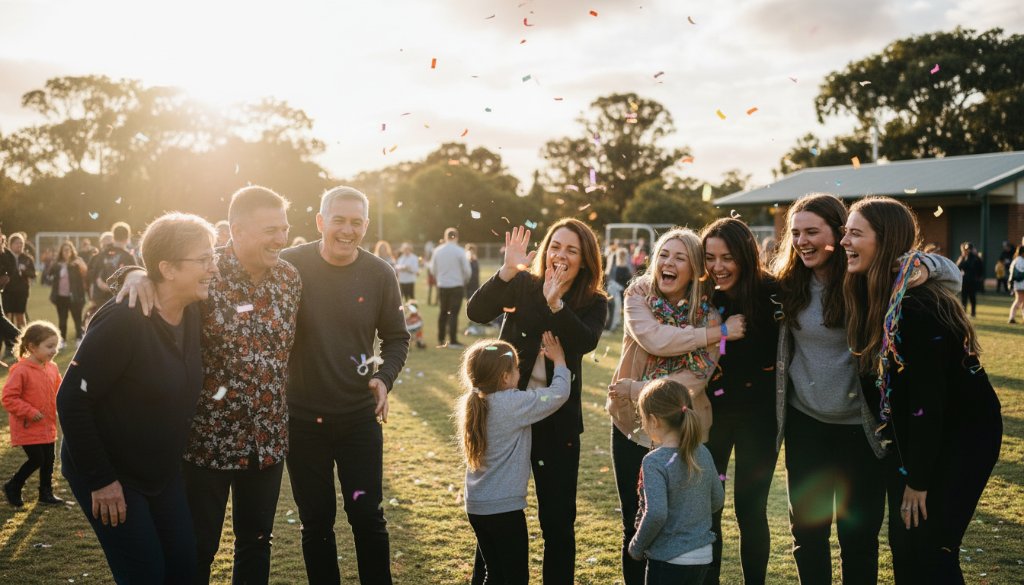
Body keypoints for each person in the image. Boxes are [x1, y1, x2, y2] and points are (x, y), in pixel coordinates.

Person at [113, 186, 301, 584]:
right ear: (237, 230)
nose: (281, 238)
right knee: (197, 546)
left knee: (257, 543)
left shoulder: (289, 277)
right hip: (206, 439)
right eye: (271, 230)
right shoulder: (205, 270)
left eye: (285, 228)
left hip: (267, 439)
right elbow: (159, 270)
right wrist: (131, 273)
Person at [772, 193, 960, 584]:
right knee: (807, 534)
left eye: (812, 232)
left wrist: (923, 264)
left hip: (863, 432)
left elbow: (952, 276)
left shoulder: (868, 278)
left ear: (838, 234)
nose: (802, 241)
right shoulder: (787, 285)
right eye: (796, 233)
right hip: (806, 428)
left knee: (858, 537)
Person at [842, 196, 1002, 584]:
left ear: (885, 242)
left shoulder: (916, 306)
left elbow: (928, 402)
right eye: (845, 232)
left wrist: (918, 481)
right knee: (905, 545)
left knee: (932, 550)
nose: (845, 241)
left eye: (856, 233)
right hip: (912, 442)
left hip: (960, 439)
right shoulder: (871, 293)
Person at [57, 212, 218, 583]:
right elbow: (71, 400)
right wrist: (101, 480)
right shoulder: (125, 319)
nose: (214, 268)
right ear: (168, 269)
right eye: (204, 260)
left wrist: (130, 270)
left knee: (185, 567)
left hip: (161, 472)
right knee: (145, 574)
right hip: (111, 473)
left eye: (213, 257)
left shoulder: (192, 309)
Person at [467, 219, 609, 584]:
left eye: (572, 250)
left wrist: (556, 304)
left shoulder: (594, 302)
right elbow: (476, 312)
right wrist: (506, 271)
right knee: (496, 509)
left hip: (556, 420)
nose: (561, 255)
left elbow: (584, 342)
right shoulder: (522, 285)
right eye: (556, 247)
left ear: (585, 261)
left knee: (558, 521)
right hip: (507, 413)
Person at [280, 186, 409, 584]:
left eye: (356, 222)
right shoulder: (289, 266)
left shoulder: (380, 273)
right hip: (302, 421)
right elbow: (233, 260)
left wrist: (384, 378)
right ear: (321, 221)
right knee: (316, 521)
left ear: (366, 226)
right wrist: (132, 273)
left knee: (368, 517)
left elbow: (397, 337)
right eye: (339, 220)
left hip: (358, 418)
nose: (347, 230)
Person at [606, 227, 736, 585]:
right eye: (664, 254)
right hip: (632, 426)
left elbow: (694, 380)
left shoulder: (709, 315)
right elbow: (654, 339)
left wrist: (635, 388)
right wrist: (714, 335)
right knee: (635, 521)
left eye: (680, 258)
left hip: (685, 433)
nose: (669, 262)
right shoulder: (638, 295)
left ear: (694, 269)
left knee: (696, 522)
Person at [701, 218, 781, 585]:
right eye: (710, 257)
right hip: (710, 418)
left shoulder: (773, 293)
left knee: (751, 510)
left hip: (759, 421)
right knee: (709, 508)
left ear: (746, 256)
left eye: (727, 257)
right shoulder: (701, 295)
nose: (717, 266)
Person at [456, 334, 569, 585]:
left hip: (477, 507)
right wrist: (559, 360)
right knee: (515, 577)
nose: (520, 372)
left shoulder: (474, 402)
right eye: (516, 368)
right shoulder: (512, 404)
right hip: (504, 510)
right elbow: (558, 394)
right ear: (505, 377)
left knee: (494, 573)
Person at [628, 378, 725, 585]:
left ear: (654, 420)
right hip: (702, 556)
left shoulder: (654, 461)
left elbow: (656, 514)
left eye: (642, 418)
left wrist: (636, 546)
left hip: (668, 560)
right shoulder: (703, 452)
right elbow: (717, 499)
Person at [2, 321, 64, 507]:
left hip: (47, 424)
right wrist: (29, 411)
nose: (54, 350)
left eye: (56, 346)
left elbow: (60, 390)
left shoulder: (52, 367)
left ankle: (46, 493)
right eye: (49, 346)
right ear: (32, 347)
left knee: (49, 460)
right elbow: (8, 398)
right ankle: (13, 485)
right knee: (37, 459)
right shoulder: (21, 370)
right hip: (28, 425)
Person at [431, 227, 472, 348]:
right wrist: (464, 280)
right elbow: (467, 270)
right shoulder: (460, 251)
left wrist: (440, 278)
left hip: (442, 285)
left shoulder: (437, 251)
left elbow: (433, 269)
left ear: (445, 237)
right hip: (456, 285)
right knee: (454, 313)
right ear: (457, 237)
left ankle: (441, 339)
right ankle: (453, 340)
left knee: (443, 312)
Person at [86, 222, 136, 318]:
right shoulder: (128, 257)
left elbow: (95, 279)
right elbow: (134, 280)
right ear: (127, 238)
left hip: (101, 300)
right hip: (120, 300)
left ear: (113, 236)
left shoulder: (101, 255)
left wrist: (93, 298)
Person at [46, 241, 88, 344]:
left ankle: (79, 338)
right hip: (61, 296)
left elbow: (86, 273)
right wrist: (54, 264)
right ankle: (62, 340)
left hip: (75, 296)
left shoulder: (77, 261)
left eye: (68, 250)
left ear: (72, 251)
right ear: (61, 251)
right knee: (62, 320)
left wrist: (80, 264)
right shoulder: (57, 263)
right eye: (64, 250)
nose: (66, 252)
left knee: (77, 319)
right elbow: (49, 275)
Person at [955, 242, 984, 317]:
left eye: (969, 249)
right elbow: (957, 267)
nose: (968, 251)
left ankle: (973, 313)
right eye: (967, 249)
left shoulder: (976, 258)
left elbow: (981, 269)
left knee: (972, 297)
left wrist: (978, 278)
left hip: (972, 280)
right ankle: (964, 312)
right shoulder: (964, 257)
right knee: (964, 297)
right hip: (965, 280)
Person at [1008, 246, 1024, 323]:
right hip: (1022, 284)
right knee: (1019, 301)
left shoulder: (1015, 260)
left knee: (1019, 300)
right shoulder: (1021, 261)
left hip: (1016, 284)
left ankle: (1012, 317)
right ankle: (1011, 317)